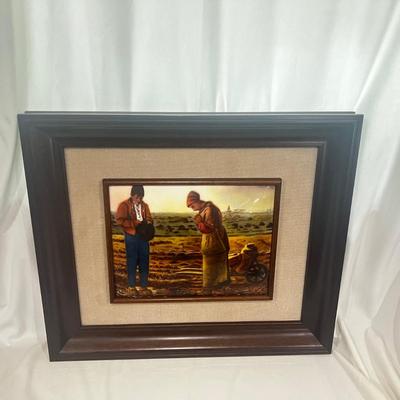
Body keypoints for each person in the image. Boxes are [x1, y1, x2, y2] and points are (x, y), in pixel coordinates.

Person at [186, 191, 230, 293]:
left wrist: (199, 222)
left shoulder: (209, 209)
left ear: (197, 201)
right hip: (215, 238)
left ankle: (210, 288)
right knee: (216, 262)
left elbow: (209, 228)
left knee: (211, 261)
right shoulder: (206, 209)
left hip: (213, 240)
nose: (192, 208)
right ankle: (219, 285)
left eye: (192, 206)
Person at [115, 185, 153, 296]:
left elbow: (150, 218)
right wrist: (133, 223)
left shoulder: (145, 206)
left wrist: (148, 223)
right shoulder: (124, 205)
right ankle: (131, 287)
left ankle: (144, 287)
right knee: (132, 261)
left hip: (143, 236)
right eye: (137, 197)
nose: (139, 199)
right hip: (131, 236)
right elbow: (119, 221)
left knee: (144, 261)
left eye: (141, 197)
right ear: (132, 195)